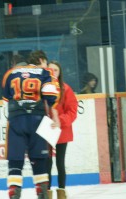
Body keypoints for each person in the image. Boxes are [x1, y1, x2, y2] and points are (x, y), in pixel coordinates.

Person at [2, 50, 60, 199]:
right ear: (41, 60)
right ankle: (42, 190)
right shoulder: (45, 72)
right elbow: (51, 96)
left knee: (15, 158)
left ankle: (14, 190)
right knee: (39, 158)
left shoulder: (10, 73)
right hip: (37, 118)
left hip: (16, 118)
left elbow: (6, 103)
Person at [47, 61, 78, 199]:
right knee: (46, 163)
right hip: (46, 129)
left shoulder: (66, 89)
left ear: (60, 73)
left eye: (56, 70)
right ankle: (46, 192)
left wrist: (60, 121)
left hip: (61, 130)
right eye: (51, 69)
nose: (53, 72)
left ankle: (61, 192)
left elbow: (72, 111)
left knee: (60, 162)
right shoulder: (42, 89)